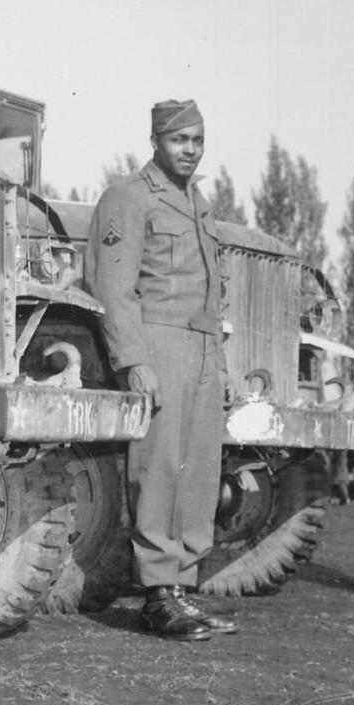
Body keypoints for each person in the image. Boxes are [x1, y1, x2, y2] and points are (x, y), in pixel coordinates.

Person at [84, 99, 237, 641]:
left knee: (198, 476)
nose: (190, 150)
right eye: (179, 140)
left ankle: (182, 591)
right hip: (159, 345)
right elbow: (114, 288)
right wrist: (135, 361)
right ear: (156, 140)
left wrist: (220, 364)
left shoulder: (198, 204)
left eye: (197, 140)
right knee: (158, 469)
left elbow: (213, 295)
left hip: (201, 351)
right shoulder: (128, 198)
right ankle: (155, 595)